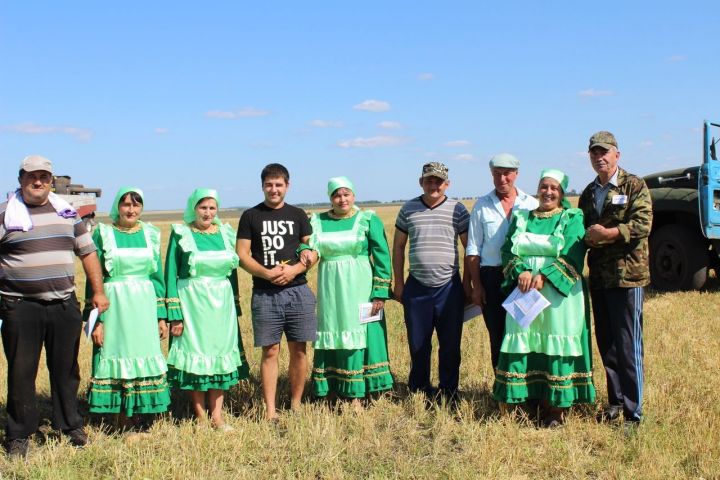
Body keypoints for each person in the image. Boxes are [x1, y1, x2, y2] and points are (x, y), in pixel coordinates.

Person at [0, 155, 109, 458]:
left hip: (63, 304)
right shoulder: (5, 214)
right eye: (31, 176)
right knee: (22, 372)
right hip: (20, 307)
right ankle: (20, 434)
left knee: (66, 369)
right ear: (20, 179)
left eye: (44, 177)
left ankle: (70, 424)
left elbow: (87, 253)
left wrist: (97, 292)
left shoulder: (67, 212)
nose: (38, 182)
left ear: (51, 181)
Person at [493, 169, 596, 427]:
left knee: (555, 341)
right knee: (523, 340)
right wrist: (522, 271)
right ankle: (521, 403)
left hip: (559, 295)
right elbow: (508, 251)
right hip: (525, 291)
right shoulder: (521, 217)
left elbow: (573, 251)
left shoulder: (571, 217)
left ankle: (556, 410)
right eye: (544, 186)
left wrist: (545, 276)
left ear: (561, 193)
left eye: (554, 188)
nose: (548, 192)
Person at [578, 131, 652, 428]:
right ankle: (615, 401)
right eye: (595, 153)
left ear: (617, 155)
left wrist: (608, 234)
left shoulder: (633, 185)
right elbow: (579, 231)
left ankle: (633, 413)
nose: (600, 157)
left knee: (628, 344)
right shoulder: (587, 193)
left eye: (604, 152)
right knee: (606, 342)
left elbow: (642, 224)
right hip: (600, 278)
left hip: (628, 277)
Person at [84, 187, 170, 431]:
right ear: (117, 207)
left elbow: (157, 278)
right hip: (115, 304)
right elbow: (94, 277)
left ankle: (141, 417)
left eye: (136, 204)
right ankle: (122, 419)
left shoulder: (151, 234)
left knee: (142, 354)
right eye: (126, 204)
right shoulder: (104, 233)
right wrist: (95, 320)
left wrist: (161, 316)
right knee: (117, 353)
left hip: (143, 304)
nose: (131, 209)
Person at [236, 163, 317, 421]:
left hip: (298, 291)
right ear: (262, 186)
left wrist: (294, 270)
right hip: (264, 293)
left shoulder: (298, 215)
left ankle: (295, 404)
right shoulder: (250, 216)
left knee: (299, 349)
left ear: (287, 186)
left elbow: (312, 251)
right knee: (270, 350)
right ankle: (270, 410)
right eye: (269, 185)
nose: (274, 189)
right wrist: (267, 273)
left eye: (278, 185)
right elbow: (242, 255)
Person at [165, 188, 249, 431]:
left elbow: (232, 273)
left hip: (221, 306)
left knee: (219, 356)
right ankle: (200, 417)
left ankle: (218, 416)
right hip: (192, 302)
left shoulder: (225, 233)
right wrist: (174, 313)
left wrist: (235, 304)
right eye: (203, 207)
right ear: (194, 209)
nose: (208, 212)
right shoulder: (180, 233)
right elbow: (170, 272)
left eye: (212, 208)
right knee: (197, 356)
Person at [308, 176, 393, 402]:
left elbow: (382, 256)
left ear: (354, 195)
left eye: (346, 194)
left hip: (360, 286)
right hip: (330, 288)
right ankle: (332, 389)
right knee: (332, 329)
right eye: (336, 194)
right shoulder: (316, 221)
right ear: (330, 198)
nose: (342, 199)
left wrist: (380, 292)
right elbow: (307, 248)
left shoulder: (367, 219)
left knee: (362, 331)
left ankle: (359, 392)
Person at [392, 162, 470, 402]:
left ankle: (449, 391)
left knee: (449, 345)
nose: (433, 185)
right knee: (418, 343)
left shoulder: (458, 209)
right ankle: (419, 390)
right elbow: (398, 246)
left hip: (449, 286)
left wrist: (467, 285)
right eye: (429, 180)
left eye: (438, 181)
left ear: (447, 183)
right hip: (417, 286)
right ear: (421, 182)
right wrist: (399, 284)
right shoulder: (408, 209)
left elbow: (469, 249)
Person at [466, 154, 538, 370]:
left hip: (523, 278)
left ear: (516, 174)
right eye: (497, 174)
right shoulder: (482, 206)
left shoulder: (531, 204)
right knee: (497, 334)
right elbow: (473, 248)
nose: (502, 178)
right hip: (492, 277)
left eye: (507, 173)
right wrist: (476, 286)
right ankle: (502, 388)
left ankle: (525, 387)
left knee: (525, 334)